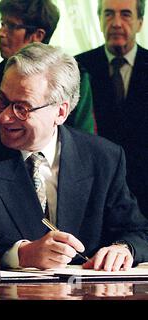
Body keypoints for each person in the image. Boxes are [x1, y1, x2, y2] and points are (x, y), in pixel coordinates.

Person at [0, 43, 148, 271]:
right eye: (1, 100)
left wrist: (124, 249)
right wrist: (21, 254)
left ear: (61, 112)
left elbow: (138, 231)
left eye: (21, 108)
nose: (5, 117)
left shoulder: (103, 158)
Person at [0, 0, 96, 135]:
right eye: (2, 23)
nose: (1, 32)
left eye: (11, 26)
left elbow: (83, 139)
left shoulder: (75, 80)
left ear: (38, 35)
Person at [76, 0, 148, 218]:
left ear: (140, 22)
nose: (116, 23)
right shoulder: (78, 67)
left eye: (125, 14)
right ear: (99, 20)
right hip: (96, 188)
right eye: (108, 14)